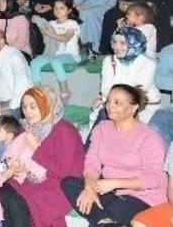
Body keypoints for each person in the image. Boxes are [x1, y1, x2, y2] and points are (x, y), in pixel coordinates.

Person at [62, 84, 167, 227]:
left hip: (142, 196)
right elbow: (92, 162)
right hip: (110, 191)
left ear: (133, 108)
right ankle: (105, 220)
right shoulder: (102, 128)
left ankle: (103, 220)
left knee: (107, 215)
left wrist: (114, 183)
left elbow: (152, 179)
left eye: (117, 103)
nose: (110, 106)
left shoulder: (149, 137)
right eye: (109, 101)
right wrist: (89, 188)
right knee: (69, 183)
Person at [0, 86, 85, 227]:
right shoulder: (27, 127)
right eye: (24, 107)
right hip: (29, 178)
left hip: (60, 186)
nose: (27, 112)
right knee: (1, 192)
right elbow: (17, 155)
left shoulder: (64, 130)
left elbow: (63, 172)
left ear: (48, 105)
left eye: (33, 106)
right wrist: (16, 167)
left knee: (17, 202)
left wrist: (36, 148)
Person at [94, 27, 160, 124]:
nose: (116, 47)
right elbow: (105, 88)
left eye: (123, 43)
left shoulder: (148, 63)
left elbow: (139, 91)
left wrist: (112, 97)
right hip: (114, 103)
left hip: (143, 107)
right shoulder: (108, 61)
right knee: (103, 118)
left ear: (135, 44)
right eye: (114, 42)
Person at [30, 0, 80, 101]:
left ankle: (64, 90)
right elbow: (47, 40)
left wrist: (49, 34)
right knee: (34, 62)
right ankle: (38, 91)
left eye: (62, 8)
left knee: (55, 61)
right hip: (52, 53)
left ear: (69, 10)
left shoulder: (72, 23)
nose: (58, 10)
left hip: (69, 55)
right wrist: (40, 24)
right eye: (56, 7)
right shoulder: (51, 23)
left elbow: (66, 38)